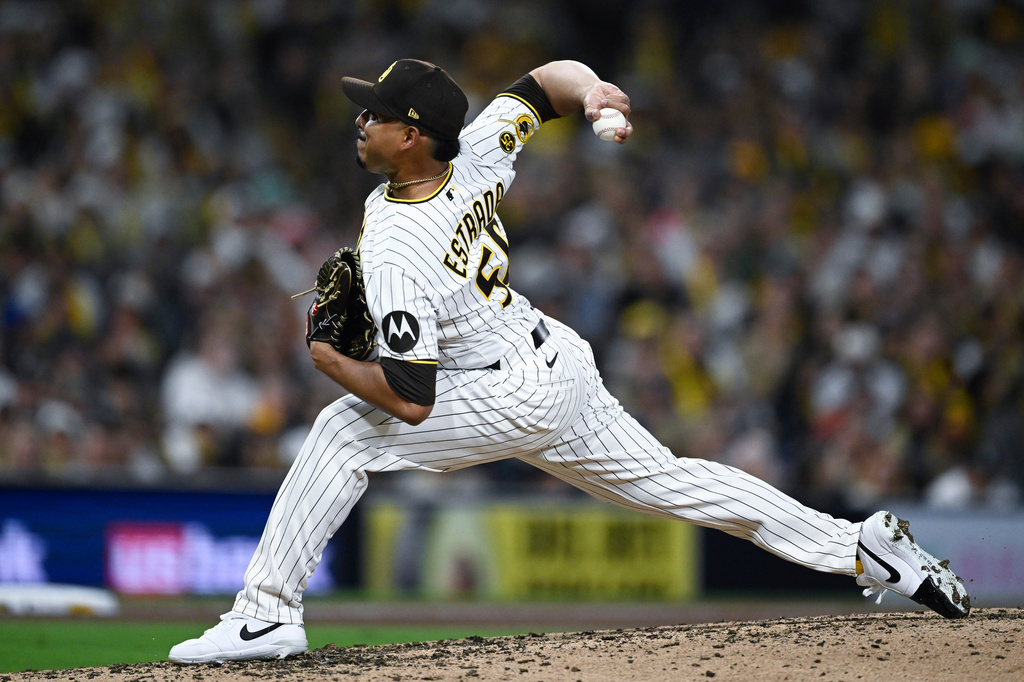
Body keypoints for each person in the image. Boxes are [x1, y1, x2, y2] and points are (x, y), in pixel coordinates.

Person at [169, 58, 970, 664]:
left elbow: (411, 400)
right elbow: (547, 81)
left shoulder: (397, 244)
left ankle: (266, 613)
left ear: (410, 136)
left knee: (344, 431)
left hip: (508, 388)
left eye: (373, 114)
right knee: (676, 482)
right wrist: (592, 95)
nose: (359, 121)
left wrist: (327, 358)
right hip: (554, 361)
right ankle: (860, 546)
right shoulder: (474, 151)